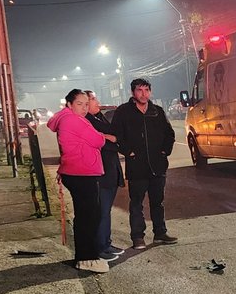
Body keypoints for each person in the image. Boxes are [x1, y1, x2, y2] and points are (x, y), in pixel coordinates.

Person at [46, 89, 108, 273]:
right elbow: (98, 140)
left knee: (86, 215)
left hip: (78, 171)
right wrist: (100, 136)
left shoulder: (67, 118)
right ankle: (87, 258)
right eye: (79, 104)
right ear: (69, 105)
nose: (84, 108)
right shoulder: (73, 120)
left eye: (86, 104)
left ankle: (86, 256)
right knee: (89, 216)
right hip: (82, 173)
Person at [113, 78, 176, 249]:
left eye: (147, 90)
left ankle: (160, 233)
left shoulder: (157, 111)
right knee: (136, 203)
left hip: (157, 166)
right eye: (140, 90)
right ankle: (137, 237)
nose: (144, 94)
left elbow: (169, 134)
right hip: (137, 166)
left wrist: (164, 151)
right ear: (133, 92)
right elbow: (117, 136)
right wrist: (129, 152)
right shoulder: (123, 112)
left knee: (158, 202)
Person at [84, 90, 124, 261]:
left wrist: (112, 138)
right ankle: (100, 247)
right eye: (92, 99)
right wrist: (111, 140)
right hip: (100, 173)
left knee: (106, 211)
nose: (97, 102)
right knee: (101, 212)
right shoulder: (87, 122)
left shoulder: (100, 118)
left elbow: (117, 138)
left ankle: (106, 243)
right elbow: (100, 144)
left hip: (111, 171)